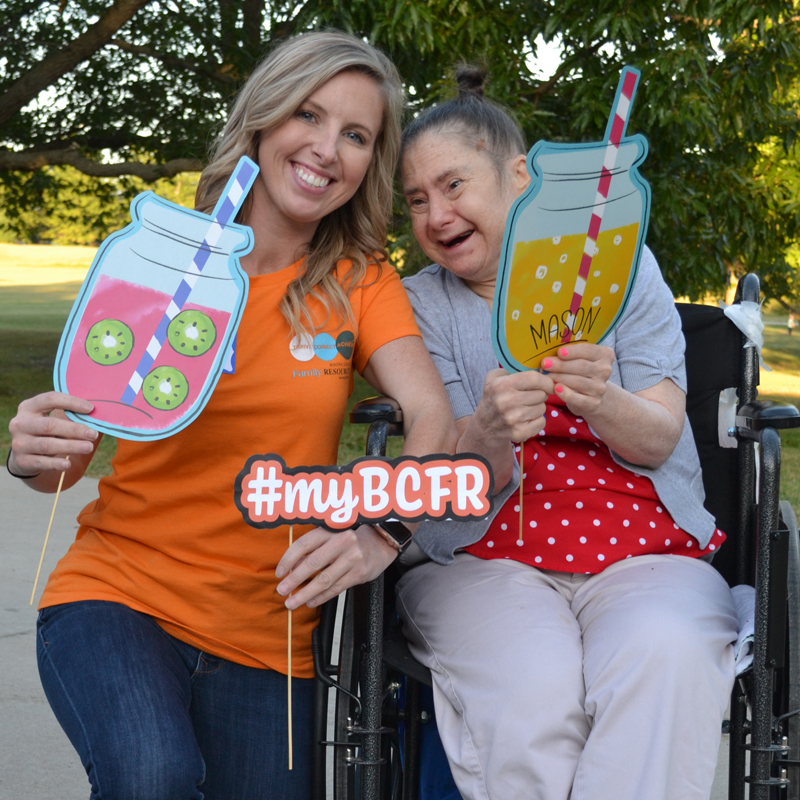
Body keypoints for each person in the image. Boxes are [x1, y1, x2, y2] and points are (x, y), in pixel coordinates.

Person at [7, 32, 455, 800]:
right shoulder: (161, 257)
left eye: (356, 135)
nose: (326, 148)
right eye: (307, 115)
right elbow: (64, 467)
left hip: (270, 638)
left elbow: (433, 420)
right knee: (154, 776)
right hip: (119, 594)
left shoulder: (361, 280)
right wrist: (38, 449)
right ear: (263, 118)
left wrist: (382, 528)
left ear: (370, 163)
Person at [394, 66, 738, 800]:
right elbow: (448, 478)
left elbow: (656, 435)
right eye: (417, 199)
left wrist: (603, 401)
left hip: (644, 544)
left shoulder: (623, 269)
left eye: (453, 185)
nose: (434, 215)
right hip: (486, 552)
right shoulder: (419, 305)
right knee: (532, 684)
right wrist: (486, 429)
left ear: (519, 176)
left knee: (671, 654)